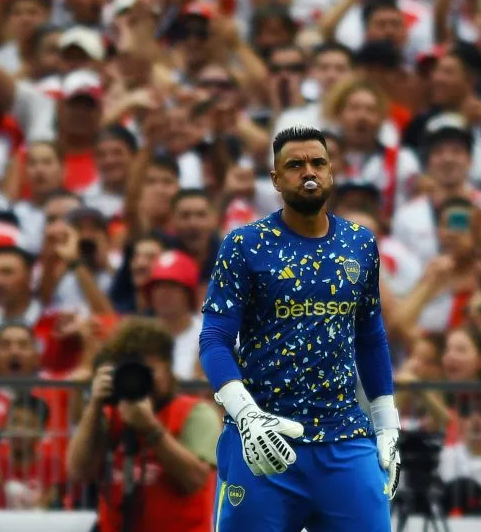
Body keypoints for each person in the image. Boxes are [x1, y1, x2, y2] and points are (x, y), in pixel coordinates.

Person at [199, 126, 401, 531]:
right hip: (263, 440)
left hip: (345, 438)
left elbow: (371, 336)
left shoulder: (360, 243)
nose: (308, 172)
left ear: (331, 172)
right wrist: (246, 415)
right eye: (294, 165)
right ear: (275, 179)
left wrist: (387, 422)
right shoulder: (244, 244)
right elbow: (214, 339)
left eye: (317, 162)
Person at [66, 317, 220, 532]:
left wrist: (151, 429)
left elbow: (195, 480)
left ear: (168, 369)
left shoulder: (196, 413)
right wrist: (94, 406)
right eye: (131, 370)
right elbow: (78, 472)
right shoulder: (111, 413)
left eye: (148, 370)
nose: (138, 379)